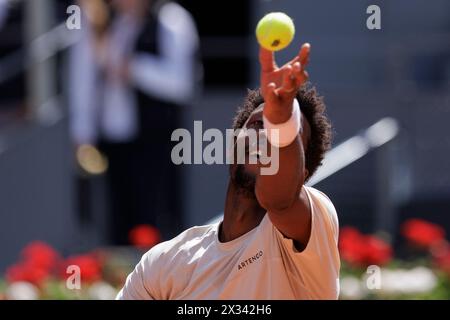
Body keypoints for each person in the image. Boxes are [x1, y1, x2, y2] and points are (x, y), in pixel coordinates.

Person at [116, 42, 340, 299]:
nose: (268, 135)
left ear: (302, 173)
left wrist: (282, 118)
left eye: (286, 135)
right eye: (258, 123)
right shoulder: (164, 263)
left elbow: (278, 200)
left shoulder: (316, 221)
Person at [69, 0, 200, 243]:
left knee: (157, 220)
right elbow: (83, 81)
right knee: (116, 222)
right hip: (113, 141)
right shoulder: (103, 22)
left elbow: (183, 84)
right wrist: (83, 134)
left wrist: (135, 69)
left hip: (157, 142)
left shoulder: (171, 19)